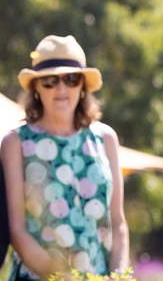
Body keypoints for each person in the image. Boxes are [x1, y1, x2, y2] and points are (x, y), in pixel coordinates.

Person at [1, 35, 129, 280]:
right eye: (49, 80)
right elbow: (16, 231)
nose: (61, 89)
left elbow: (118, 223)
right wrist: (61, 277)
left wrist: (120, 275)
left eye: (71, 79)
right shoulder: (15, 143)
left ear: (83, 86)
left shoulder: (105, 138)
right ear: (36, 87)